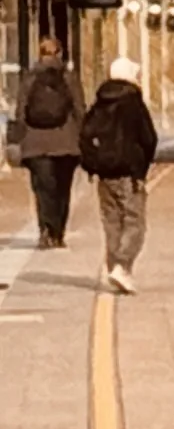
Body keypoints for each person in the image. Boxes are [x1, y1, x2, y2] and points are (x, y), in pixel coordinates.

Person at [79, 54, 156, 295]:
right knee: (135, 224)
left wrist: (92, 164)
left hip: (104, 175)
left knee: (112, 223)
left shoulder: (99, 102)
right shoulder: (133, 103)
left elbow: (84, 135)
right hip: (129, 174)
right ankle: (122, 266)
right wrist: (141, 168)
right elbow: (148, 138)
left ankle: (117, 270)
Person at [16, 37, 77, 246]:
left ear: (40, 54)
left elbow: (20, 111)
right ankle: (58, 233)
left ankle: (45, 229)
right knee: (62, 189)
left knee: (42, 189)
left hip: (35, 144)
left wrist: (19, 141)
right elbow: (79, 109)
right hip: (66, 143)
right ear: (60, 53)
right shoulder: (69, 78)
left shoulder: (29, 78)